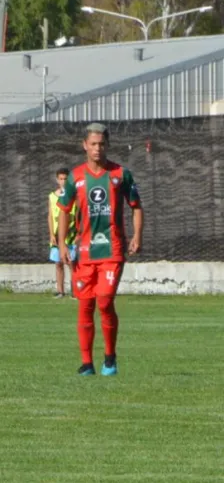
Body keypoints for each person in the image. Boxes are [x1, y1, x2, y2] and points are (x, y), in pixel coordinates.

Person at [57, 123, 144, 377]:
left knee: (104, 302)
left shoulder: (120, 174)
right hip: (84, 253)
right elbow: (64, 210)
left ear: (107, 145)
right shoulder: (75, 177)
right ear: (85, 145)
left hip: (112, 250)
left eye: (102, 144)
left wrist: (137, 236)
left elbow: (136, 206)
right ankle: (86, 364)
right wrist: (62, 244)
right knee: (85, 305)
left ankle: (109, 358)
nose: (97, 148)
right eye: (93, 144)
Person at [48, 167, 77, 298]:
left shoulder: (74, 196)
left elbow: (77, 214)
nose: (63, 181)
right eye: (61, 179)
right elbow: (50, 216)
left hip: (71, 235)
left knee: (72, 263)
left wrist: (78, 234)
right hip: (56, 235)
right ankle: (60, 291)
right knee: (58, 263)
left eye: (65, 179)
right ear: (57, 180)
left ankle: (75, 291)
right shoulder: (52, 196)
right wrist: (51, 234)